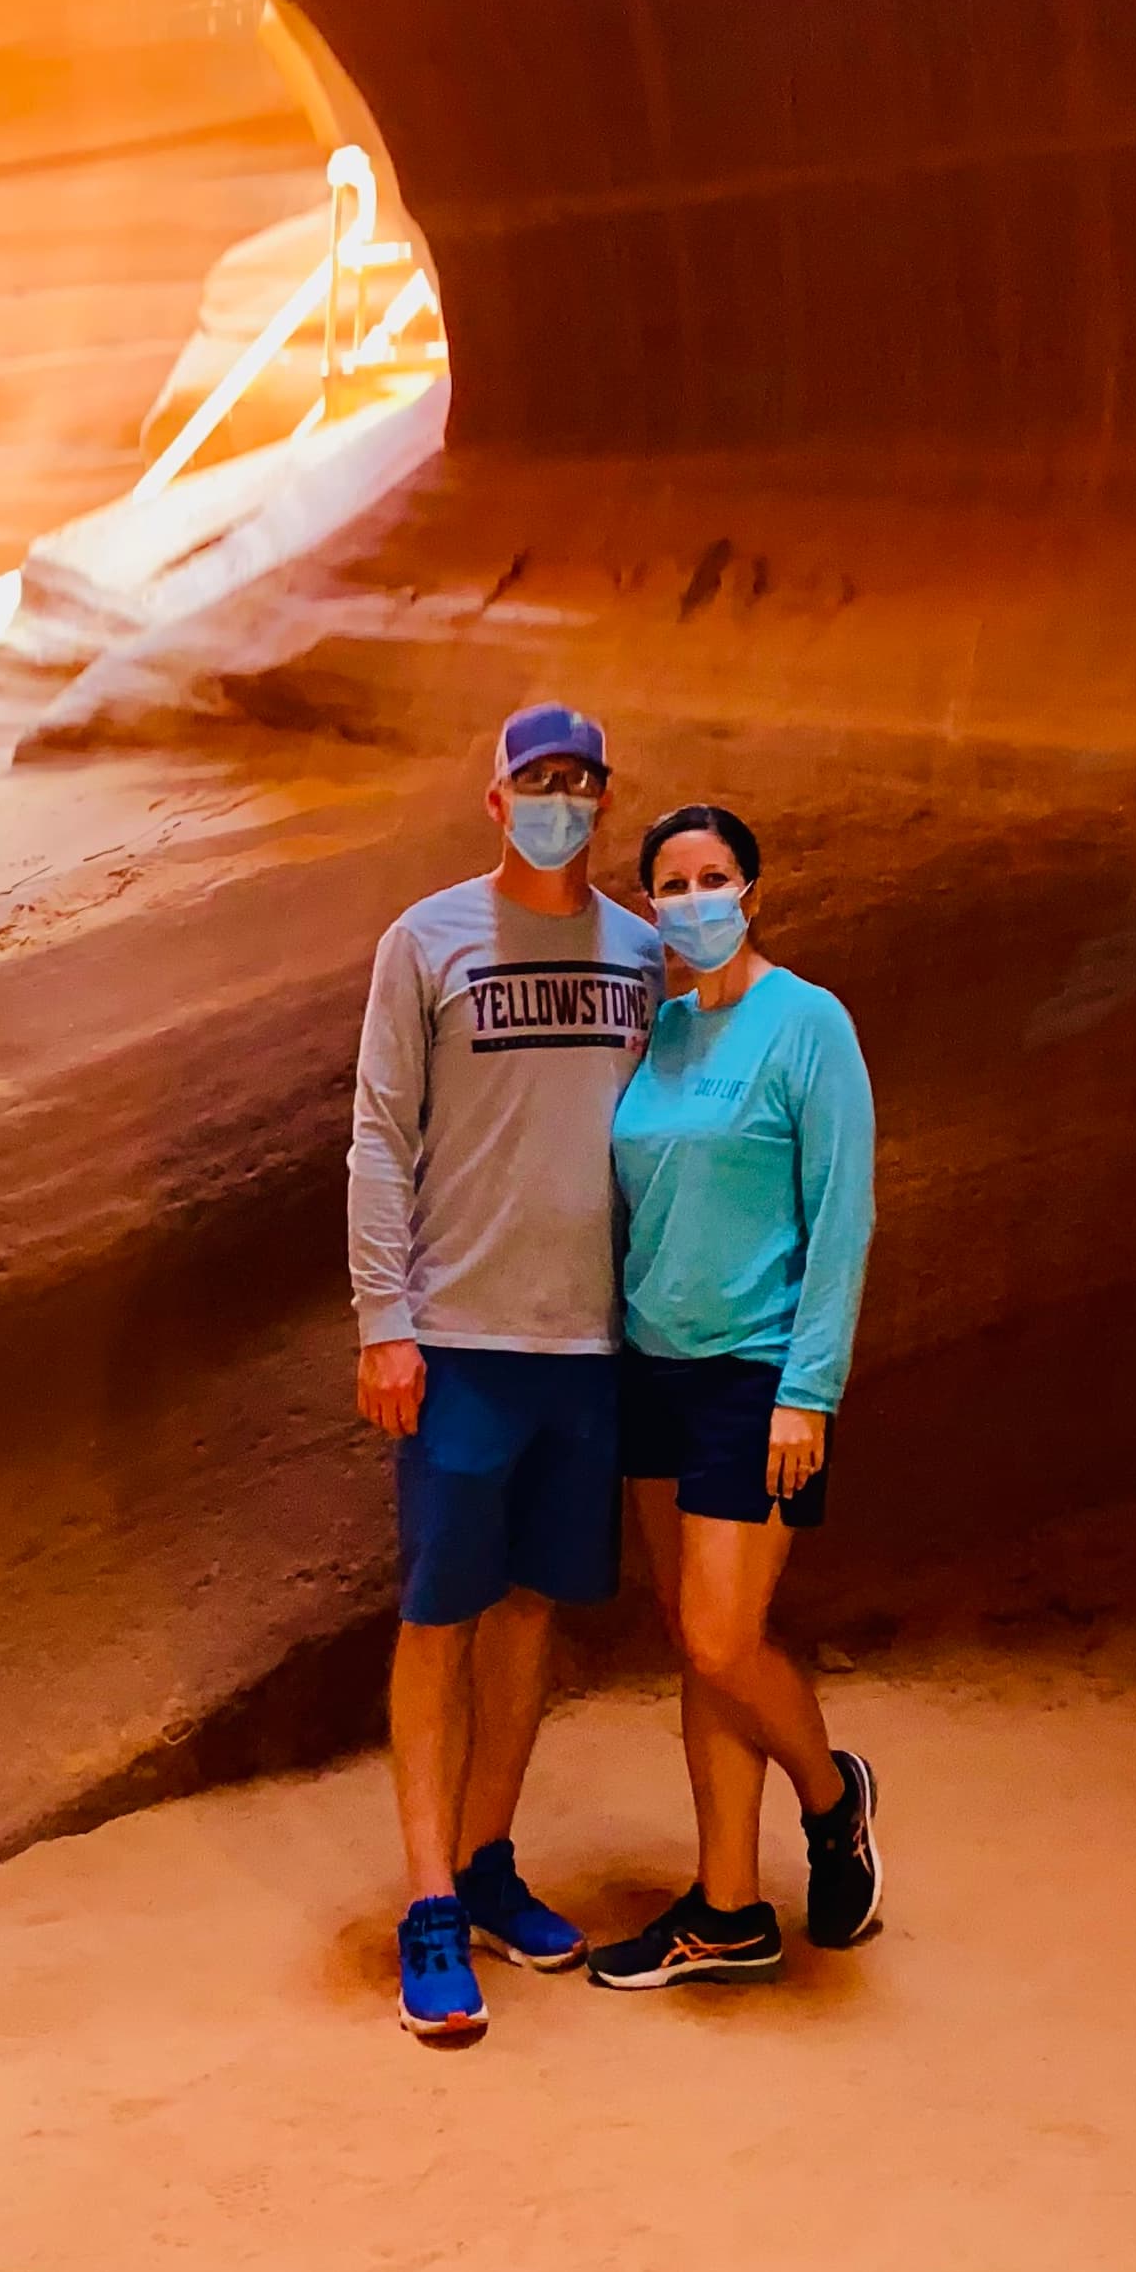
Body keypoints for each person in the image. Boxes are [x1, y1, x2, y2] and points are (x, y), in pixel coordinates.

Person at [347, 695, 659, 2045]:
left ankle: (485, 1860)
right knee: (438, 1612)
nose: (560, 800)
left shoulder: (647, 957)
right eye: (537, 779)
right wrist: (384, 1320)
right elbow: (379, 1136)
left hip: (592, 1345)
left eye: (581, 782)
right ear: (495, 799)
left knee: (532, 1613)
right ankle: (427, 1902)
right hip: (463, 1338)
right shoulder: (427, 941)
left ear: (605, 800)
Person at [587, 796, 882, 1987]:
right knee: (697, 1645)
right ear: (650, 903)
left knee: (721, 1632)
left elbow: (844, 1213)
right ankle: (727, 1908)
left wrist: (808, 1390)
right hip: (656, 1365)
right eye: (672, 882)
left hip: (757, 1374)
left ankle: (831, 1792)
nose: (694, 899)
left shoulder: (807, 1023)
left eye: (715, 877)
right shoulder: (656, 1037)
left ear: (752, 890)